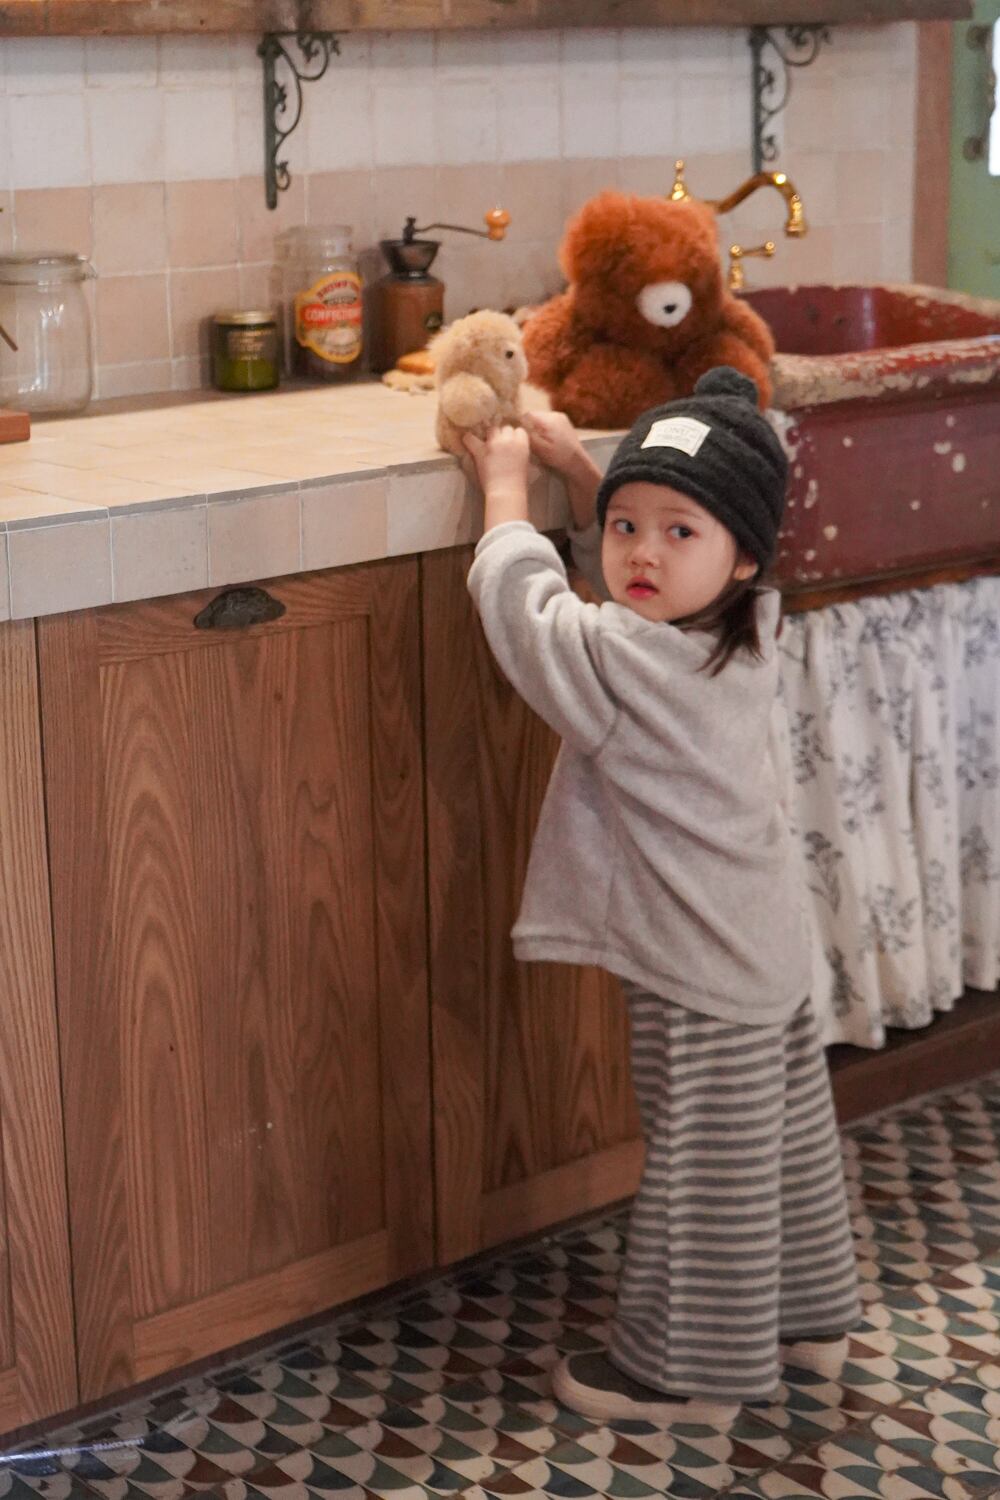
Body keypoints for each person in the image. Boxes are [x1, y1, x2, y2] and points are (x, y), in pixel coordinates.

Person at [463, 368, 861, 1430]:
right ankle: (808, 1319)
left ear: (741, 554)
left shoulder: (630, 665)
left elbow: (528, 617)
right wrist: (582, 473)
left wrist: (505, 491)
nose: (641, 553)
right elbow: (642, 585)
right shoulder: (746, 624)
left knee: (703, 1175)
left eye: (677, 532)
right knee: (777, 1144)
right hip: (764, 946)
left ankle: (690, 1375)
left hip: (694, 967)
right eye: (624, 526)